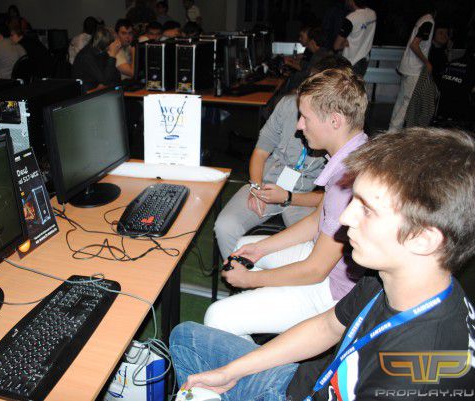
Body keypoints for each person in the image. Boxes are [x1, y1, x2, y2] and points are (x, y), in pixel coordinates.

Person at [171, 127, 475, 401]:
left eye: (367, 210)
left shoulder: (415, 375)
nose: (345, 217)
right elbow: (327, 326)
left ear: (423, 239)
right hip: (308, 383)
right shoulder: (386, 277)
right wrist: (231, 371)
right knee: (185, 338)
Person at [207, 67, 368, 337]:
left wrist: (250, 280)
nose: (299, 125)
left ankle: (255, 349)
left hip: (333, 290)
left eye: (306, 117)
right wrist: (260, 248)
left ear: (335, 121)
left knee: (217, 316)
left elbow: (315, 271)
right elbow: (316, 221)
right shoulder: (352, 153)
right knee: (244, 247)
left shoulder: (347, 180)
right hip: (325, 262)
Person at [214, 55, 352, 261]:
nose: (300, 125)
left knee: (312, 245)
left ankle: (274, 277)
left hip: (306, 198)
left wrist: (288, 197)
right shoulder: (289, 106)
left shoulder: (343, 138)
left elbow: (330, 198)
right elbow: (261, 151)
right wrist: (256, 187)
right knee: (225, 226)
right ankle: (238, 274)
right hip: (269, 185)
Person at [389, 5, 436, 131]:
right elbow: (414, 44)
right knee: (407, 102)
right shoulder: (429, 21)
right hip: (414, 68)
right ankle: (394, 131)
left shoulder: (422, 19)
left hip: (407, 66)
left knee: (401, 101)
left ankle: (392, 131)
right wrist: (427, 62)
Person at [72, 26, 121, 93]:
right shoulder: (86, 56)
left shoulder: (102, 52)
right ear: (109, 43)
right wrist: (112, 55)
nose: (118, 44)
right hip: (85, 96)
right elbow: (105, 81)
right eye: (116, 42)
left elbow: (117, 77)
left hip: (99, 93)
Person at [334, 0, 376, 77]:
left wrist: (344, 43)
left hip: (350, 63)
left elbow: (336, 46)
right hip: (364, 60)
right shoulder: (372, 13)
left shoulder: (351, 18)